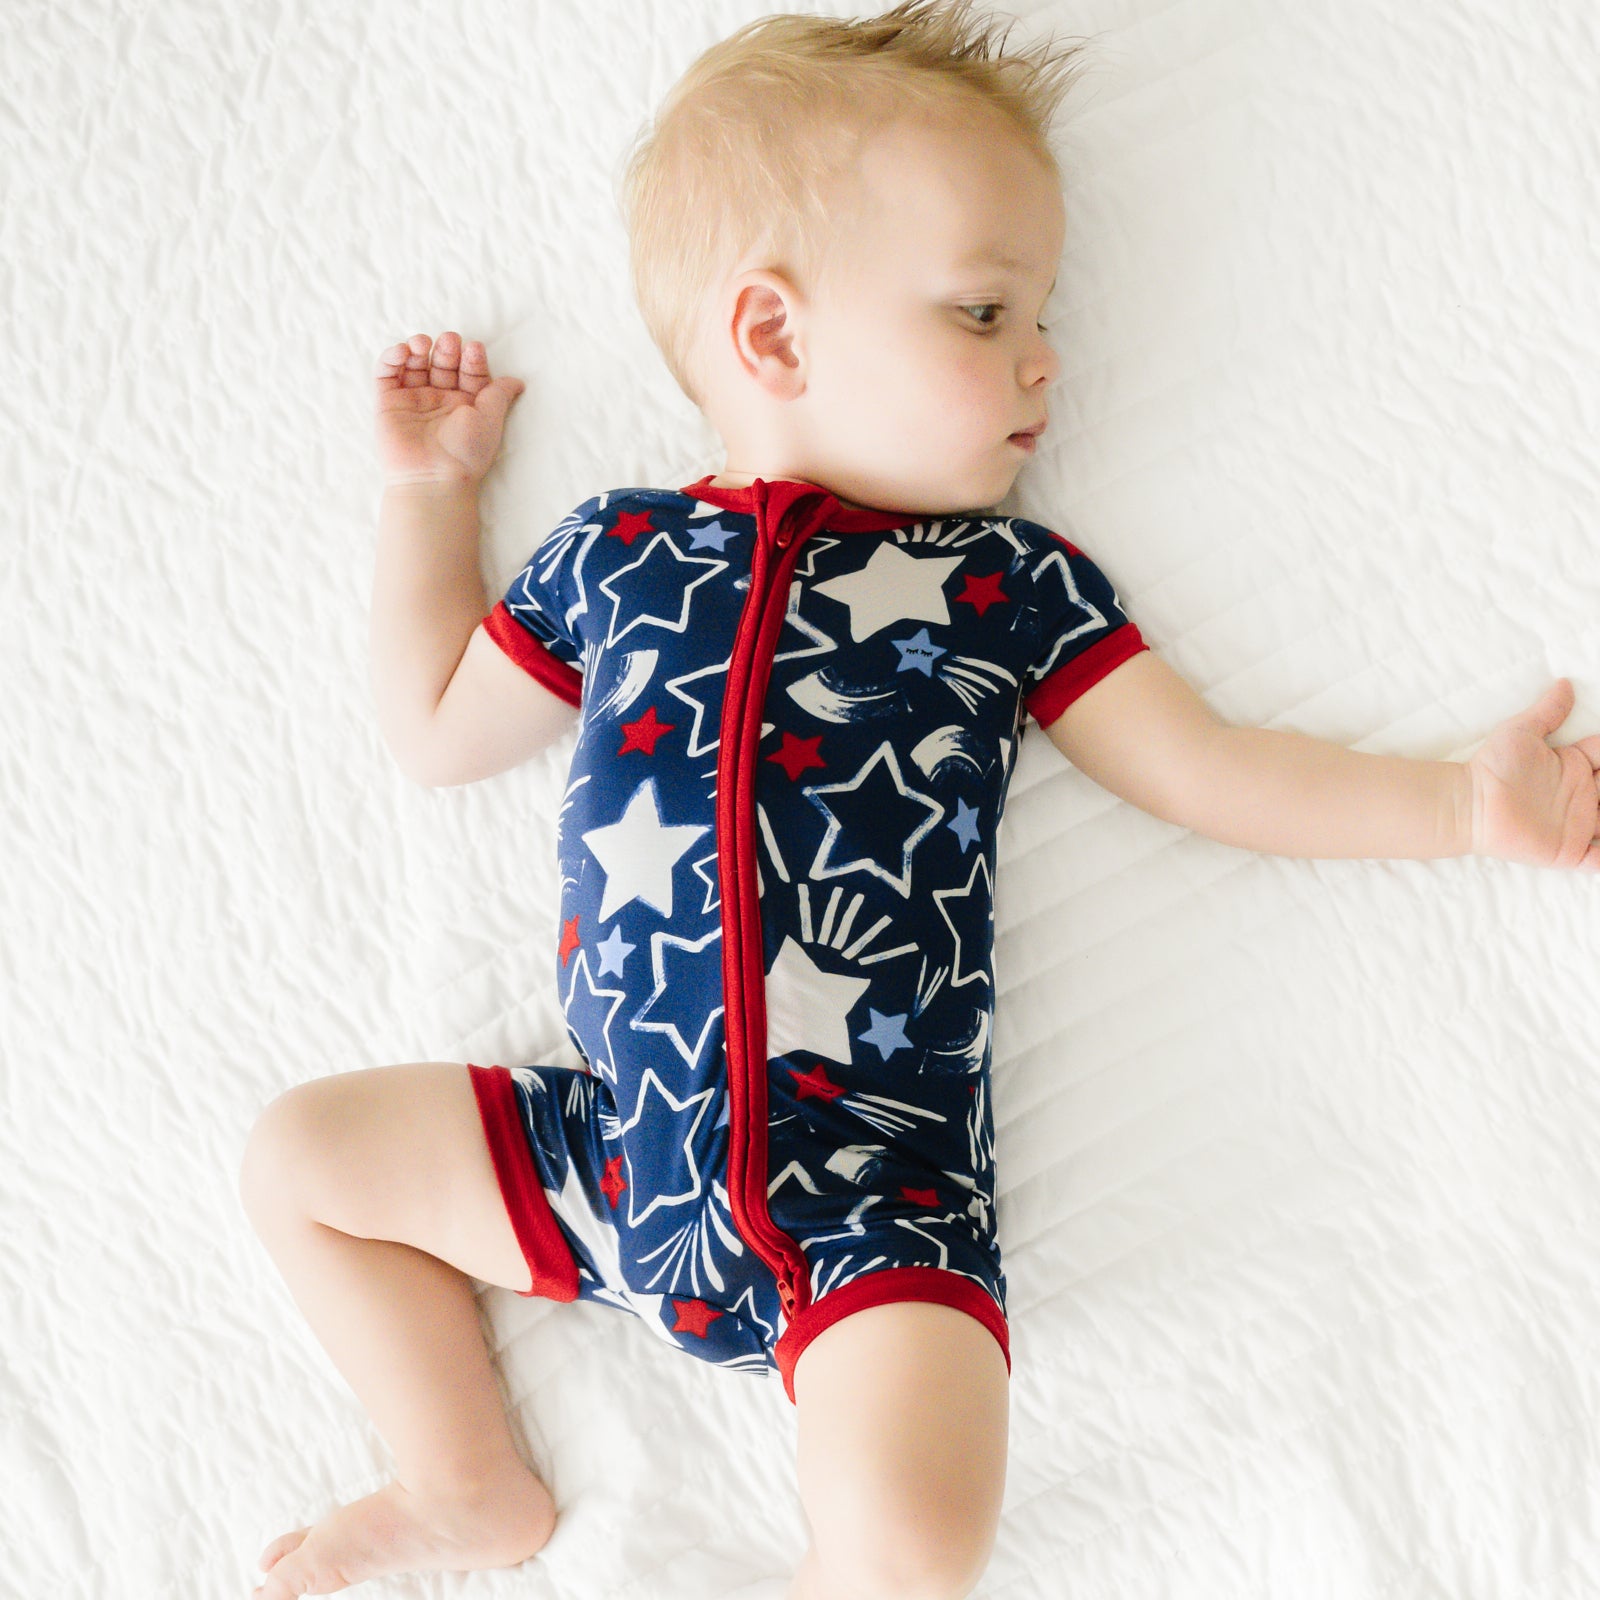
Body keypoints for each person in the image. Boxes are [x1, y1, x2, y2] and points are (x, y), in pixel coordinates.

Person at [239, 2, 1600, 1597]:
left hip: (877, 1214)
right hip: (607, 1160)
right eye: (982, 311)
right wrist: (428, 495)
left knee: (907, 1544)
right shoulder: (615, 559)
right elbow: (431, 728)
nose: (1045, 359)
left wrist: (1460, 803)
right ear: (772, 335)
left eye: (1040, 313)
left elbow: (1213, 767)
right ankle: (463, 1477)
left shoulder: (1006, 585)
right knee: (300, 1160)